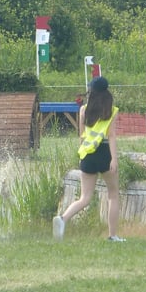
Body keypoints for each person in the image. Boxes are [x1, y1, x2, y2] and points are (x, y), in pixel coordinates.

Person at [53, 76, 124, 242]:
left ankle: (63, 219)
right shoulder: (111, 110)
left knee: (84, 198)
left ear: (91, 91)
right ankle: (112, 236)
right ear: (106, 92)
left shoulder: (83, 110)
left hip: (88, 154)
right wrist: (114, 159)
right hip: (104, 152)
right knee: (113, 195)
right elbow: (112, 136)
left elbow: (82, 136)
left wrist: (82, 155)